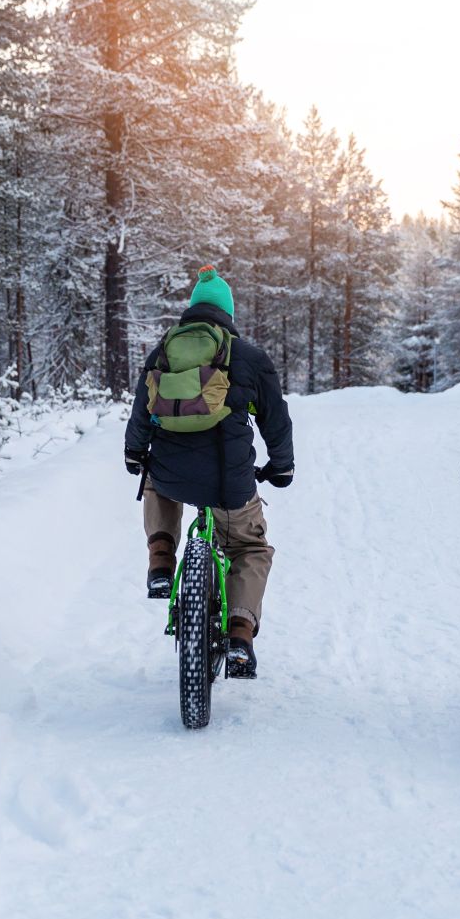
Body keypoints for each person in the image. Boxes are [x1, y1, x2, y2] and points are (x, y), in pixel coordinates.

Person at [125, 266, 294, 679]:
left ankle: (161, 563)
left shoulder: (164, 350)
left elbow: (141, 409)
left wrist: (134, 454)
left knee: (154, 482)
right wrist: (282, 466)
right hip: (230, 480)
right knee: (250, 549)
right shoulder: (250, 358)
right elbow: (276, 420)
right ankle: (240, 635)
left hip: (171, 475)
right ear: (227, 313)